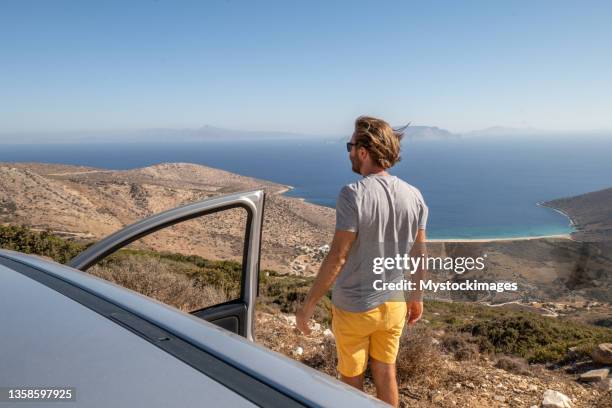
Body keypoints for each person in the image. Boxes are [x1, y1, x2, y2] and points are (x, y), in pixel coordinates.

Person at [296, 115, 428, 407]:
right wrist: (415, 297)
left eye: (350, 146)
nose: (349, 152)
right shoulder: (415, 196)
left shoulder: (352, 194)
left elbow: (338, 256)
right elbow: (420, 253)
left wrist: (308, 306)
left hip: (355, 306)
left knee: (351, 383)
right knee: (385, 373)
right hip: (394, 304)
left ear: (364, 151)